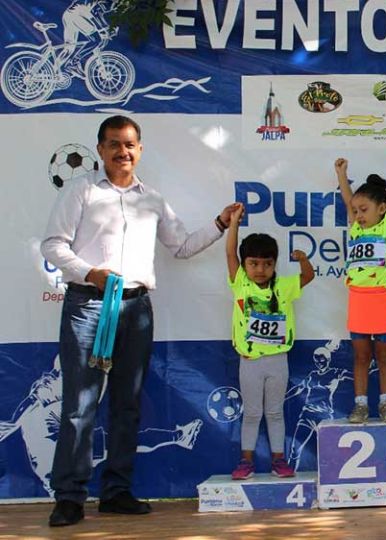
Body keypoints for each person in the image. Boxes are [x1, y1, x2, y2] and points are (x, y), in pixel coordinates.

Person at [40, 115, 239, 526]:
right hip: (90, 306)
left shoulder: (152, 199)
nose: (122, 151)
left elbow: (181, 246)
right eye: (114, 144)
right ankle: (70, 497)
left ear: (140, 149)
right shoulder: (81, 189)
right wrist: (89, 273)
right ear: (100, 149)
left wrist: (220, 223)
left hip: (135, 309)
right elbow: (53, 244)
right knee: (79, 405)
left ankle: (116, 492)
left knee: (127, 404)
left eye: (129, 144)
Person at [225, 204, 314, 480]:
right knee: (252, 413)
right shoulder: (240, 283)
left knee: (275, 412)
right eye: (253, 263)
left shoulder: (283, 286)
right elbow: (230, 252)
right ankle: (246, 461)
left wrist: (303, 259)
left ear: (275, 264)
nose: (260, 269)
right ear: (244, 265)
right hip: (250, 361)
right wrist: (234, 223)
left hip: (278, 360)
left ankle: (279, 460)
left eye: (267, 263)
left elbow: (308, 276)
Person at [334, 140, 386, 423]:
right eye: (355, 211)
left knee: (384, 356)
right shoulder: (355, 228)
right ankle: (360, 406)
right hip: (358, 299)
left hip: (382, 298)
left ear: (381, 209)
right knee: (360, 357)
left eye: (363, 209)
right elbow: (348, 201)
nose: (358, 215)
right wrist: (342, 175)